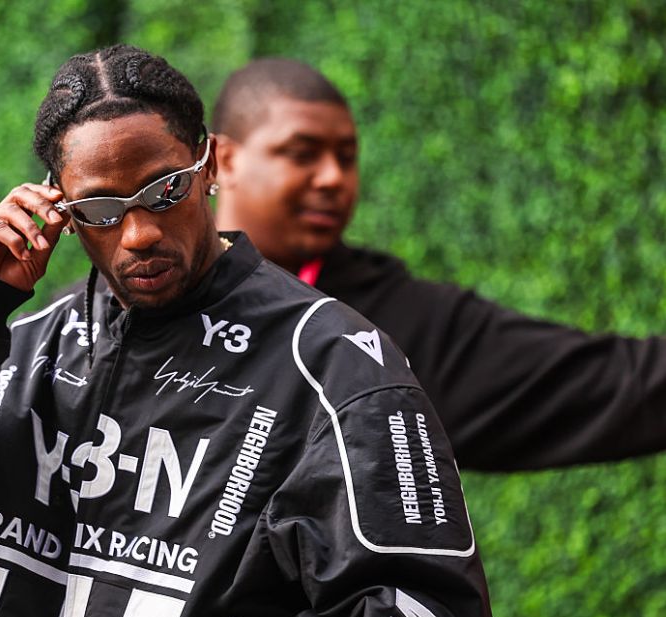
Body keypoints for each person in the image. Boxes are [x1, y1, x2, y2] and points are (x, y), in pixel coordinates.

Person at [0, 45, 493, 617]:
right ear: (59, 208)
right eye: (100, 207)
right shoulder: (27, 349)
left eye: (165, 190)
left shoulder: (334, 364)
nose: (139, 232)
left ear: (209, 164)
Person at [212, 58, 666, 471]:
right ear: (224, 160)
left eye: (347, 158)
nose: (333, 177)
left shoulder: (392, 326)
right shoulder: (154, 290)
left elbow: (613, 383)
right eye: (302, 153)